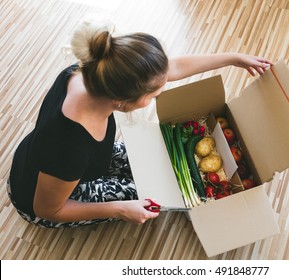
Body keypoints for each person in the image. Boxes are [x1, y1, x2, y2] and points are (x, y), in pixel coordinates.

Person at [7, 18, 272, 228]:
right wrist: (121, 209)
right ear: (122, 101)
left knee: (161, 167)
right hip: (42, 201)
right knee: (153, 195)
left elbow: (173, 68)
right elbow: (48, 209)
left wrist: (233, 58)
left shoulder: (88, 73)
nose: (160, 91)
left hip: (56, 163)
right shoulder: (70, 145)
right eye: (154, 95)